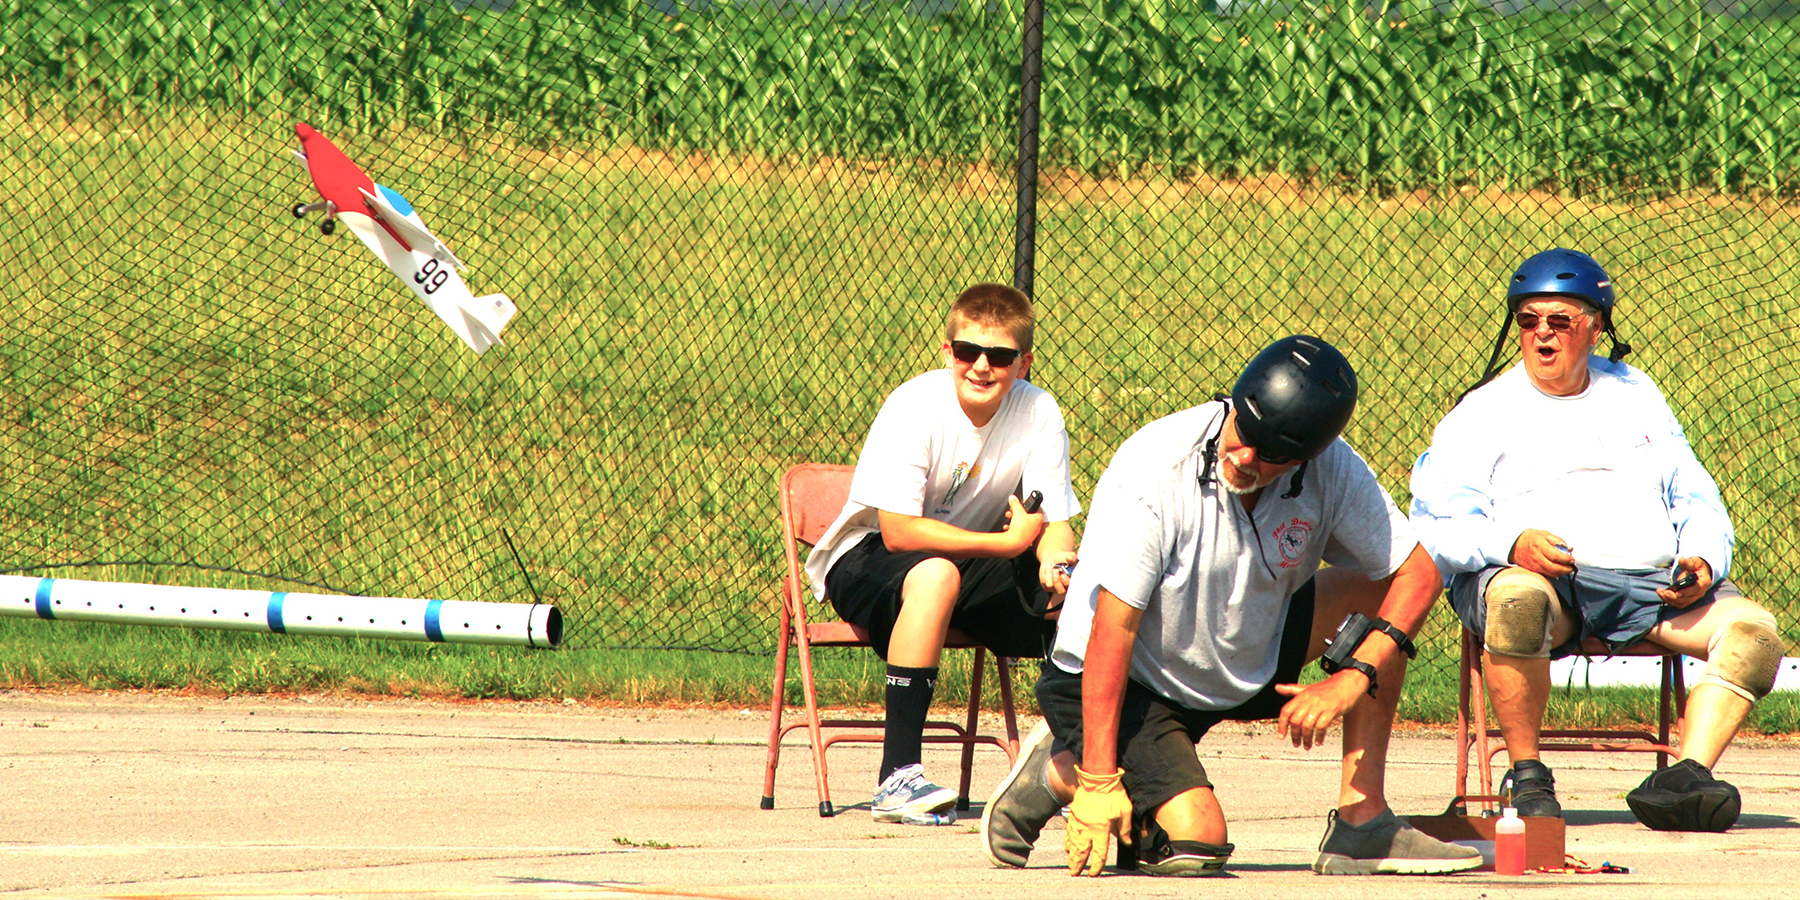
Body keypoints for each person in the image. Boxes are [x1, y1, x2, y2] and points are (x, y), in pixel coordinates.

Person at [981, 335, 1481, 877]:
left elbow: (1419, 572)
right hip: (1128, 679)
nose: (1241, 455)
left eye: (1268, 454)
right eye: (1242, 430)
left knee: (1379, 588)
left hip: (1243, 651)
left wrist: (1355, 674)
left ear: (1304, 458)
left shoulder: (1333, 468)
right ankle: (1062, 768)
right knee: (1197, 845)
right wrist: (1099, 780)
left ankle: (1363, 823)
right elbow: (1112, 631)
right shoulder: (1154, 468)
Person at [1409, 248, 1784, 832]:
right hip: (1544, 582)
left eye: (1559, 321)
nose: (1541, 335)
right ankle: (1527, 772)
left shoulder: (1635, 393)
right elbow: (1438, 521)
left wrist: (1705, 558)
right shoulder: (1483, 412)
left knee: (1755, 637)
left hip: (1651, 585)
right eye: (1528, 320)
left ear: (1596, 326)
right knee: (1515, 603)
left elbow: (1695, 493)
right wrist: (1512, 545)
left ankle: (1682, 779)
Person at [804, 282, 1080, 825]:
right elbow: (901, 532)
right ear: (947, 351)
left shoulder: (1040, 411)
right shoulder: (914, 404)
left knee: (1082, 593)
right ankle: (897, 777)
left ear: (1023, 362)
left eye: (999, 355)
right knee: (934, 575)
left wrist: (1058, 565)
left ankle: (1078, 771)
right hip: (866, 556)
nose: (981, 366)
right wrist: (1007, 544)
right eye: (967, 351)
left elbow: (1055, 523)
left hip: (968, 566)